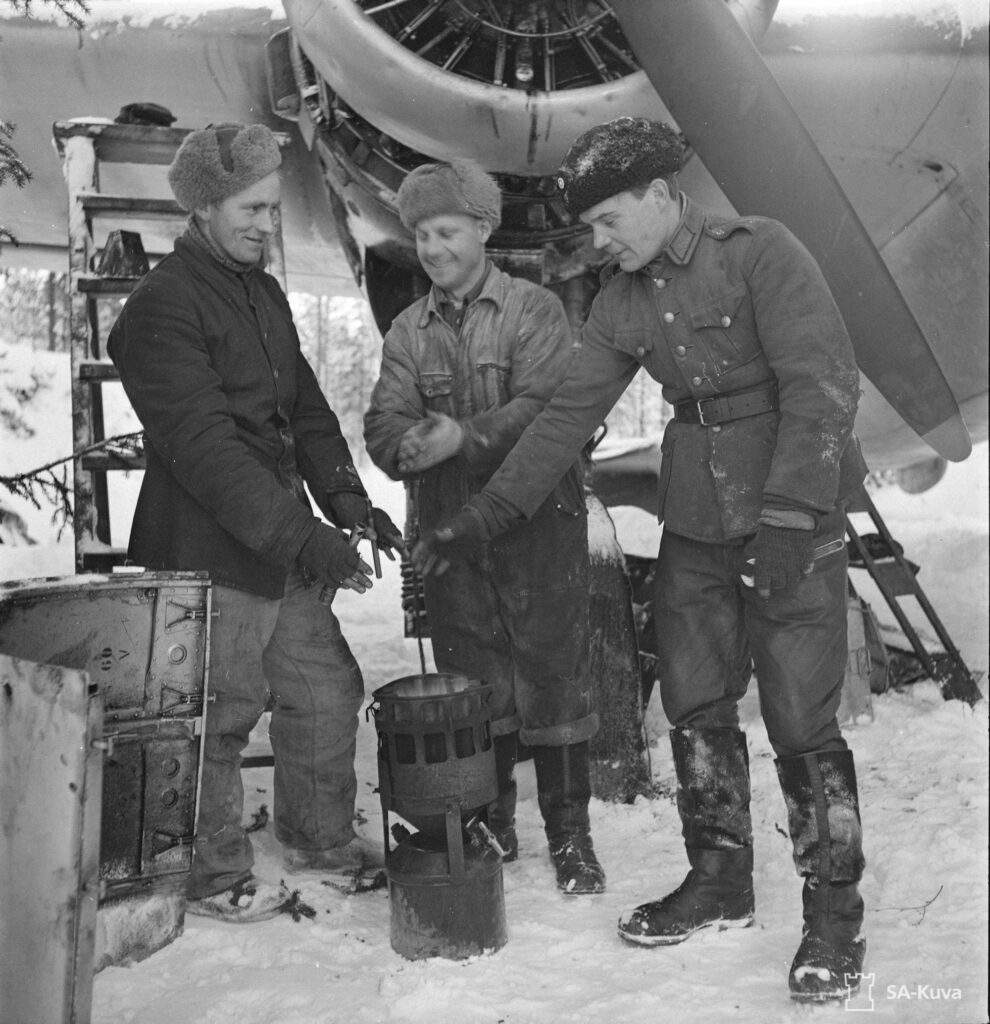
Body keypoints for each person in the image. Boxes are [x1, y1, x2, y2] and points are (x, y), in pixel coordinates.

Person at [412, 118, 870, 1000]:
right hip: (696, 523)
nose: (600, 240)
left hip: (790, 517)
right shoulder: (621, 299)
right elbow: (563, 418)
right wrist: (482, 517)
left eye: (611, 220)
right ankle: (721, 878)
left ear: (662, 197)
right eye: (592, 228)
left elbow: (824, 382)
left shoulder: (759, 251)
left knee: (803, 726)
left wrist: (788, 517)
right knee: (696, 707)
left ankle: (833, 915)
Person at [108, 123, 403, 923]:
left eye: (273, 208)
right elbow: (205, 451)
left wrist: (346, 499)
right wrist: (308, 537)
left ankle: (318, 838)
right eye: (249, 208)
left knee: (326, 690)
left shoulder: (260, 291)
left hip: (279, 538)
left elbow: (303, 408)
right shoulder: (159, 310)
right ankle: (212, 873)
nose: (266, 225)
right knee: (223, 712)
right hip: (210, 549)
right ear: (202, 208)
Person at [363, 159, 605, 895]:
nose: (433, 248)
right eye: (422, 236)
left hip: (538, 526)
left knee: (552, 678)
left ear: (482, 230)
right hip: (449, 536)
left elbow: (544, 408)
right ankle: (494, 823)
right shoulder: (409, 328)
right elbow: (382, 421)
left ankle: (571, 839)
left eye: (446, 231)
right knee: (476, 683)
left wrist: (459, 439)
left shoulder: (535, 311)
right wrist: (400, 445)